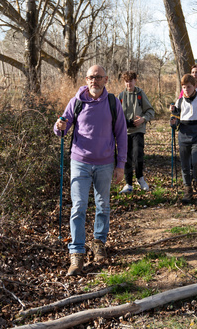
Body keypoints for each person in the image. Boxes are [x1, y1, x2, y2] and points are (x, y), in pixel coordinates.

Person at [54, 65, 127, 276]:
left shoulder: (113, 103)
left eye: (98, 77)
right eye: (90, 77)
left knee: (103, 205)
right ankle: (76, 253)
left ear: (106, 79)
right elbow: (63, 126)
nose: (94, 81)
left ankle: (99, 243)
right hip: (80, 162)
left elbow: (121, 135)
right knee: (78, 206)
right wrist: (58, 127)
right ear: (86, 80)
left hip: (105, 163)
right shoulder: (76, 101)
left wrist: (120, 164)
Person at [170, 74, 197, 203]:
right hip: (183, 135)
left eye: (188, 87)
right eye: (183, 87)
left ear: (194, 86)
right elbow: (175, 120)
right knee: (184, 165)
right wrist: (172, 122)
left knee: (196, 162)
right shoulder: (179, 102)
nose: (186, 90)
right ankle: (188, 189)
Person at [118, 71, 155, 193]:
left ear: (135, 81)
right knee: (126, 157)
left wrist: (143, 119)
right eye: (126, 81)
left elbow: (150, 110)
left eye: (131, 81)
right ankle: (128, 184)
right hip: (125, 131)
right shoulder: (121, 96)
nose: (129, 83)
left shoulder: (140, 94)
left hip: (138, 129)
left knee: (137, 154)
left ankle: (140, 178)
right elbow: (117, 115)